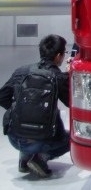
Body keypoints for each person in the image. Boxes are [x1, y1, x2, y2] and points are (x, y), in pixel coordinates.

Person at [0, 34, 70, 177]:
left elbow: (2, 97)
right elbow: (70, 103)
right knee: (72, 139)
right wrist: (70, 77)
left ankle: (24, 159)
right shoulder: (58, 77)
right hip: (39, 139)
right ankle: (41, 158)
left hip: (14, 138)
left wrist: (20, 110)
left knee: (28, 125)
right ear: (58, 56)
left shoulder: (21, 71)